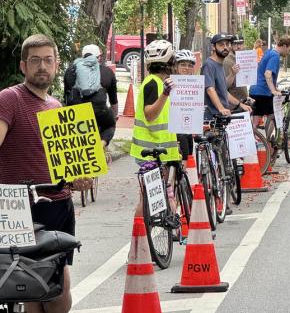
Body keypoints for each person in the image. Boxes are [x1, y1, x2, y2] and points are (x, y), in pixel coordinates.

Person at [0, 34, 92, 313]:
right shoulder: (9, 99)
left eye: (48, 60)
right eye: (35, 60)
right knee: (29, 287)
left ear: (56, 65)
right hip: (18, 207)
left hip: (58, 205)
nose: (42, 66)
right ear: (23, 65)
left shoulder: (56, 107)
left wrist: (78, 179)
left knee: (58, 284)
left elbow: (66, 167)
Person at [129, 39, 180, 217]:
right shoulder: (153, 84)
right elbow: (150, 115)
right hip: (149, 151)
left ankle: (171, 224)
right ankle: (140, 235)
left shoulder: (163, 83)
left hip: (161, 149)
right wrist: (165, 94)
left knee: (164, 192)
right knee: (148, 198)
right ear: (170, 62)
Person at [64, 44, 118, 159]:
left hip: (76, 113)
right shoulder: (107, 72)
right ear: (99, 57)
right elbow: (113, 100)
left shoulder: (70, 71)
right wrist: (115, 115)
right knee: (110, 125)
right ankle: (101, 144)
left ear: (83, 57)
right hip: (99, 111)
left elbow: (67, 96)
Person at [249, 35, 290, 128]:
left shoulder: (269, 52)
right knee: (273, 116)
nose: (289, 53)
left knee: (255, 120)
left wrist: (275, 87)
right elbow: (267, 74)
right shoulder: (275, 56)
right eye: (289, 50)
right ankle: (269, 141)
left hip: (255, 89)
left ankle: (253, 139)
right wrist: (273, 91)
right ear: (284, 46)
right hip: (264, 91)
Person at [202, 33, 251, 121]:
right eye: (221, 45)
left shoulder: (220, 65)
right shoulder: (209, 64)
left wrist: (240, 104)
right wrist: (221, 108)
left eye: (227, 44)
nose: (225, 47)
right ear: (214, 47)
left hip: (222, 115)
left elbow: (224, 91)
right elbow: (210, 89)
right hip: (212, 116)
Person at [174, 49, 197, 161]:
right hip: (175, 129)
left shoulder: (195, 85)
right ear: (176, 66)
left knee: (189, 157)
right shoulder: (170, 83)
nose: (186, 68)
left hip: (188, 128)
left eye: (189, 65)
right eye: (183, 65)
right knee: (185, 158)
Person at [223, 35, 248, 102]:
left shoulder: (243, 58)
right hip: (233, 104)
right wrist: (232, 74)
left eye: (240, 44)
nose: (238, 47)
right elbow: (223, 86)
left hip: (243, 100)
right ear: (230, 45)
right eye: (235, 44)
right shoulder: (227, 61)